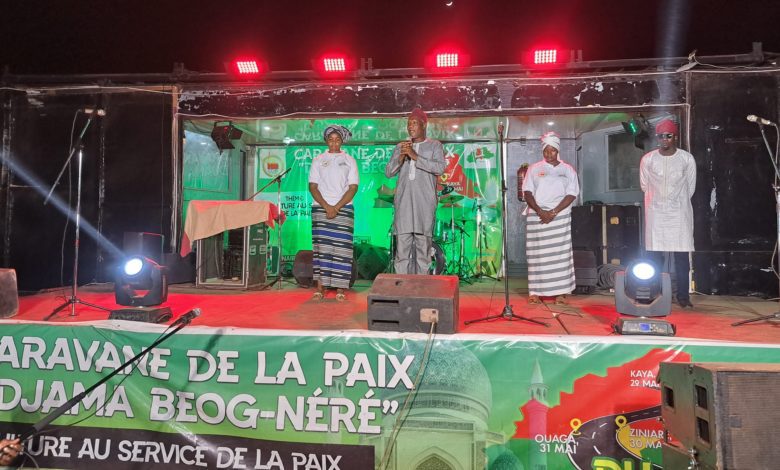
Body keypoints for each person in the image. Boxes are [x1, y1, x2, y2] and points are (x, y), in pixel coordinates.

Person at [640, 119, 696, 308]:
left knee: (681, 257)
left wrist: (675, 201)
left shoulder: (686, 159)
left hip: (679, 213)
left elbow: (690, 187)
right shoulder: (648, 159)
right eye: (661, 136)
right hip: (656, 212)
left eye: (668, 136)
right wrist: (659, 201)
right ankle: (654, 293)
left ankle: (683, 297)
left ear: (675, 137)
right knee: (655, 257)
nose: (664, 139)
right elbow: (644, 185)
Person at [385, 108, 446, 274]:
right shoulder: (401, 146)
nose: (410, 127)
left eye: (414, 123)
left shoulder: (434, 145)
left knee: (423, 251)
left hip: (424, 204)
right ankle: (402, 284)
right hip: (404, 203)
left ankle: (422, 285)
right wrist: (401, 157)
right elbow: (389, 172)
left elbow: (440, 168)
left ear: (424, 124)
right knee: (402, 251)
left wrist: (415, 156)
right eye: (408, 124)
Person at [522, 132, 579, 304]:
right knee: (536, 254)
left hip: (560, 217)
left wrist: (553, 212)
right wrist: (540, 211)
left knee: (559, 255)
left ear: (557, 150)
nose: (549, 154)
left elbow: (572, 193)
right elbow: (527, 192)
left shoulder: (567, 170)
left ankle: (561, 292)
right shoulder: (534, 168)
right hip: (537, 216)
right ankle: (535, 292)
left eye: (552, 150)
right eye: (546, 150)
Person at [308, 125, 359, 301]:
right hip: (320, 208)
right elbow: (313, 186)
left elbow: (353, 188)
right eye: (331, 139)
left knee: (342, 250)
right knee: (322, 249)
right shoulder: (318, 159)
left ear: (342, 141)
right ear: (326, 141)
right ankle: (320, 288)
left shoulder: (350, 160)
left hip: (344, 209)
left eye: (337, 140)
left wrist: (336, 207)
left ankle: (340, 289)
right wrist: (326, 206)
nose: (334, 143)